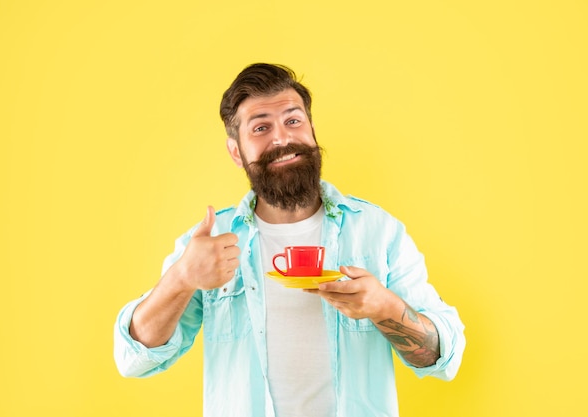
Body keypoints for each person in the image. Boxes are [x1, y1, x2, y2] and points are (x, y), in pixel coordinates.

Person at [114, 63, 465, 417]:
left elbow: (444, 357)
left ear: (312, 130)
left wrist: (385, 307)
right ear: (236, 151)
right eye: (261, 127)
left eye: (293, 121)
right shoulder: (209, 242)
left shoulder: (378, 231)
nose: (281, 139)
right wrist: (181, 278)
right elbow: (132, 357)